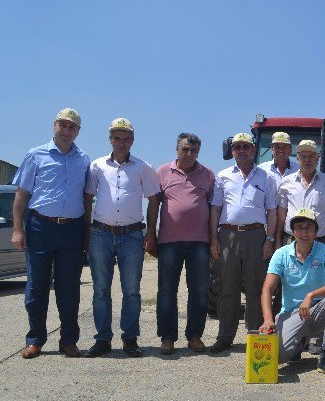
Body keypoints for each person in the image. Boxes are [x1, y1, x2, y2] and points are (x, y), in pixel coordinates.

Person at [11, 108, 90, 359]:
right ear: (54, 125)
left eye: (72, 127)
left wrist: (86, 232)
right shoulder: (35, 155)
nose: (66, 131)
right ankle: (35, 339)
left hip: (72, 229)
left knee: (69, 288)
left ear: (78, 131)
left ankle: (68, 341)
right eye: (63, 125)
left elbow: (87, 200)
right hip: (40, 227)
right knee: (37, 286)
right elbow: (21, 196)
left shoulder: (84, 160)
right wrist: (17, 229)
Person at [84, 117, 161, 358]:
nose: (121, 142)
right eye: (117, 138)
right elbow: (87, 197)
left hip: (131, 235)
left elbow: (154, 198)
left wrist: (150, 231)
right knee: (100, 289)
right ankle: (103, 339)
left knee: (131, 290)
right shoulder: (97, 166)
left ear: (132, 141)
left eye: (126, 138)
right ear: (110, 139)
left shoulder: (142, 167)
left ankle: (130, 338)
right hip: (100, 233)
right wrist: (86, 230)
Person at [260, 208, 325, 378]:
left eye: (309, 227)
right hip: (291, 313)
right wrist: (267, 319)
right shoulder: (281, 254)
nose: (304, 232)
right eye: (299, 227)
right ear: (293, 232)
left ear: (316, 232)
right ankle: (299, 344)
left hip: (318, 310)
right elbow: (267, 289)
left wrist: (311, 295)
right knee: (279, 357)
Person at [209, 133, 277, 352]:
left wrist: (269, 240)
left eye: (245, 146)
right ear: (232, 151)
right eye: (237, 147)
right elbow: (216, 209)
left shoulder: (266, 177)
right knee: (227, 288)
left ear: (253, 149)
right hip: (227, 236)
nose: (241, 150)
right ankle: (225, 336)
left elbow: (272, 212)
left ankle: (255, 335)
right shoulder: (223, 176)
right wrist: (213, 239)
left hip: (256, 236)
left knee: (255, 288)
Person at [276, 139, 325, 354]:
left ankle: (319, 342)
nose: (307, 159)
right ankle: (295, 332)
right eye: (303, 155)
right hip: (291, 239)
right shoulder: (286, 182)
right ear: (297, 158)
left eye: (311, 155)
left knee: (323, 289)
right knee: (291, 287)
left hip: (321, 240)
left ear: (318, 158)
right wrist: (277, 240)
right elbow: (281, 215)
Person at [154, 133, 215, 354]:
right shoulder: (162, 172)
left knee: (199, 291)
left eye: (194, 150)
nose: (189, 154)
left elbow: (213, 209)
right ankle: (167, 337)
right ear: (177, 149)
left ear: (198, 152)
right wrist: (151, 234)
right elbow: (153, 206)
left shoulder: (208, 174)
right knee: (167, 290)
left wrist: (213, 240)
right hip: (169, 242)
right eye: (185, 149)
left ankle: (195, 336)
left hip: (200, 242)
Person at [258, 131, 299, 316]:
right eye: (276, 147)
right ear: (271, 149)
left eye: (284, 147)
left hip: (292, 232)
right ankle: (261, 317)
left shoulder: (300, 169)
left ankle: (284, 315)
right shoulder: (261, 170)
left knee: (291, 277)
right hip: (263, 231)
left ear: (290, 149)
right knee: (262, 276)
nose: (280, 150)